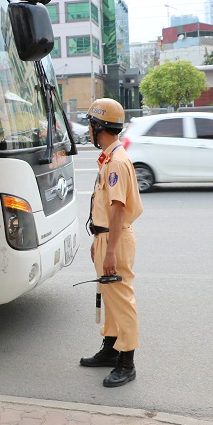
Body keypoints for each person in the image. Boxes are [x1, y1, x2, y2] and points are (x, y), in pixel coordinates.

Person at [80, 98, 144, 388]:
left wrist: (111, 251)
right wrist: (99, 240)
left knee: (121, 300)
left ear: (98, 127)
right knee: (110, 298)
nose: (89, 131)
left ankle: (127, 362)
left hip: (114, 238)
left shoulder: (116, 161)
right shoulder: (109, 156)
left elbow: (118, 209)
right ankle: (110, 349)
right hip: (106, 236)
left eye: (91, 125)